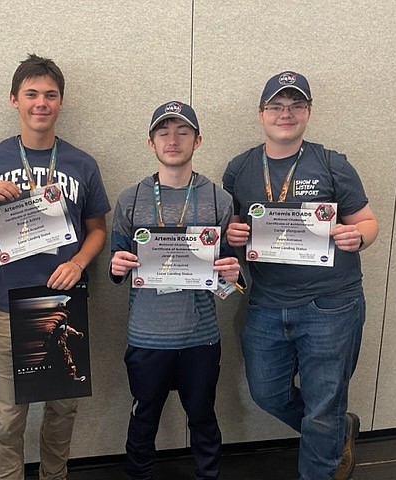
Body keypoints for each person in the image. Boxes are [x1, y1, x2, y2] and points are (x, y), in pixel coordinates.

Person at [222, 71, 379, 480]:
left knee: (323, 403)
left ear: (308, 112)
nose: (285, 114)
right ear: (261, 113)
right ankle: (337, 430)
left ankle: (322, 456)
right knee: (267, 393)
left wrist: (356, 236)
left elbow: (368, 223)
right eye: (276, 106)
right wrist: (233, 233)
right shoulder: (239, 168)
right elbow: (231, 231)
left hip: (331, 304)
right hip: (267, 302)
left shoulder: (332, 163)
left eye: (296, 106)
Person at [0, 54, 110, 480]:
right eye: (31, 94)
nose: (40, 102)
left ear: (61, 103)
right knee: (7, 420)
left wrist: (80, 261)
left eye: (50, 94)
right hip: (9, 310)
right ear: (14, 100)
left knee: (62, 414)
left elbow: (97, 228)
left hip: (65, 305)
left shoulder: (82, 163)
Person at [110, 101, 240, 480]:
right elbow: (117, 267)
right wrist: (116, 267)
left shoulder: (219, 198)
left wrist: (232, 275)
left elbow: (228, 280)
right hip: (147, 335)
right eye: (163, 132)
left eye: (182, 131)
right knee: (144, 417)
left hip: (200, 337)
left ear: (197, 140)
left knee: (202, 416)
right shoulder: (130, 198)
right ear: (150, 142)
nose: (173, 139)